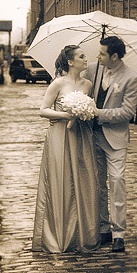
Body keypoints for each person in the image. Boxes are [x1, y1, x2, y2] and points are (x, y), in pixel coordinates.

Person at [32, 45, 100, 253]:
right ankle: (59, 235)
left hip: (81, 136)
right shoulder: (58, 83)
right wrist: (65, 115)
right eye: (81, 56)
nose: (85, 59)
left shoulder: (88, 84)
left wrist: (86, 112)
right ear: (70, 62)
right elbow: (43, 110)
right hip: (60, 136)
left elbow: (92, 110)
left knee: (84, 181)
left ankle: (83, 235)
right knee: (60, 181)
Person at [83, 35, 137, 253]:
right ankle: (103, 227)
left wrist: (99, 114)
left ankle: (119, 234)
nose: (97, 56)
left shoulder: (131, 78)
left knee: (117, 181)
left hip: (115, 140)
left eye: (102, 53)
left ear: (114, 56)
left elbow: (127, 112)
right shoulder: (93, 69)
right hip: (93, 136)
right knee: (98, 184)